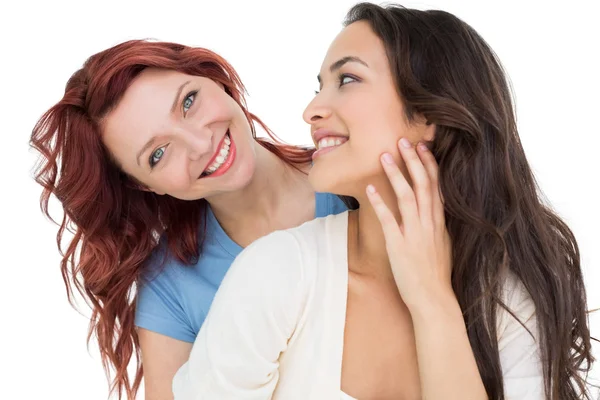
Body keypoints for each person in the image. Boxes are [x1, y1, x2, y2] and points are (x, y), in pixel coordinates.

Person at [171, 3, 595, 400]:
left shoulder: (507, 298)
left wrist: (432, 301)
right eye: (320, 87)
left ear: (428, 115)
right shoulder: (278, 273)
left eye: (348, 80)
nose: (312, 110)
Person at [29, 40, 347, 399]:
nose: (199, 144)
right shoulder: (171, 292)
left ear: (211, 76)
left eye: (188, 102)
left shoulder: (358, 177)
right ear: (143, 185)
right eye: (158, 154)